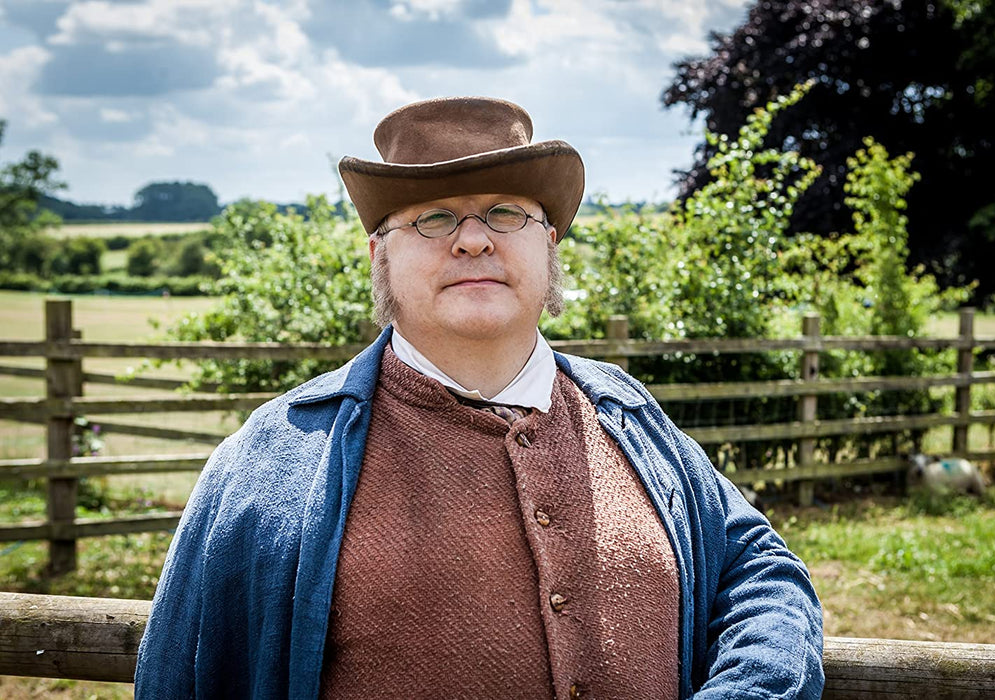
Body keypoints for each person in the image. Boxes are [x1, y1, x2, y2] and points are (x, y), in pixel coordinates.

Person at [135, 96, 824, 699]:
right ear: (379, 255)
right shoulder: (274, 458)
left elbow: (759, 570)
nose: (472, 240)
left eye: (505, 212)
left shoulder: (627, 413)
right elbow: (181, 674)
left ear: (549, 245)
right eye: (433, 217)